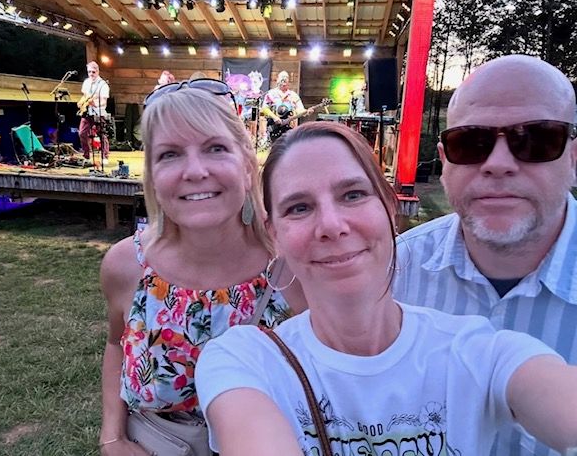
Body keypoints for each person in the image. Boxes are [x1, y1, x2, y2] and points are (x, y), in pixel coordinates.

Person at [195, 121, 577, 456]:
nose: (332, 225)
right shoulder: (246, 361)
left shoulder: (479, 352)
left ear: (390, 208)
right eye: (299, 207)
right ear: (274, 234)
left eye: (353, 195)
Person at [98, 79, 305, 455]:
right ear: (152, 177)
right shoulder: (126, 266)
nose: (194, 171)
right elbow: (116, 344)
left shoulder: (293, 266)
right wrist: (112, 436)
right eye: (170, 154)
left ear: (247, 165)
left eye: (215, 148)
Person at [393, 54, 577, 456]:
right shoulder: (396, 272)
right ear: (444, 162)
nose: (498, 164)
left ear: (573, 157)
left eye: (535, 139)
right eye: (471, 143)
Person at [261, 71, 310, 143]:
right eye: (282, 77)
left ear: (288, 81)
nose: (284, 79)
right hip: (274, 127)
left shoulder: (293, 95)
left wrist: (306, 112)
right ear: (278, 79)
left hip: (289, 127)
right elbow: (264, 108)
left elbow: (299, 109)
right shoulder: (271, 93)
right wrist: (274, 117)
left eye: (286, 77)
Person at [78, 61, 110, 164]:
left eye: (93, 72)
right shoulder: (86, 82)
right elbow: (85, 95)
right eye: (89, 72)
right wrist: (81, 103)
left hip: (98, 112)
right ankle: (87, 155)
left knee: (102, 134)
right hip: (87, 112)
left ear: (97, 71)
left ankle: (105, 156)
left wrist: (94, 104)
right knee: (82, 133)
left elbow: (104, 102)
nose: (91, 74)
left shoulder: (103, 84)